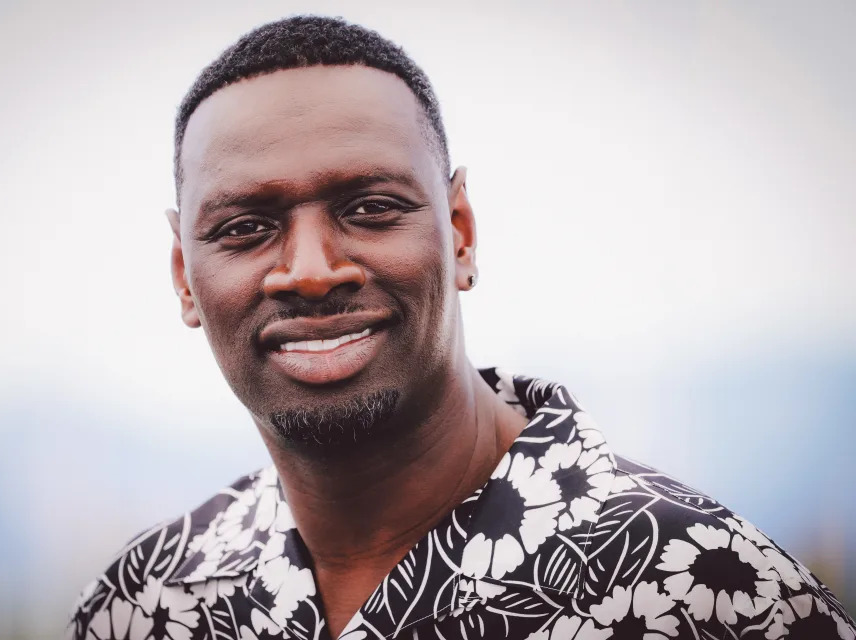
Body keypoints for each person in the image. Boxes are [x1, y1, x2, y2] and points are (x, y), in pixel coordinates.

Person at [67, 15, 855, 640]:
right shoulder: (146, 605)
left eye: (370, 208)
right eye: (246, 226)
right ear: (184, 277)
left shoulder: (703, 591)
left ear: (462, 232)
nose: (309, 270)